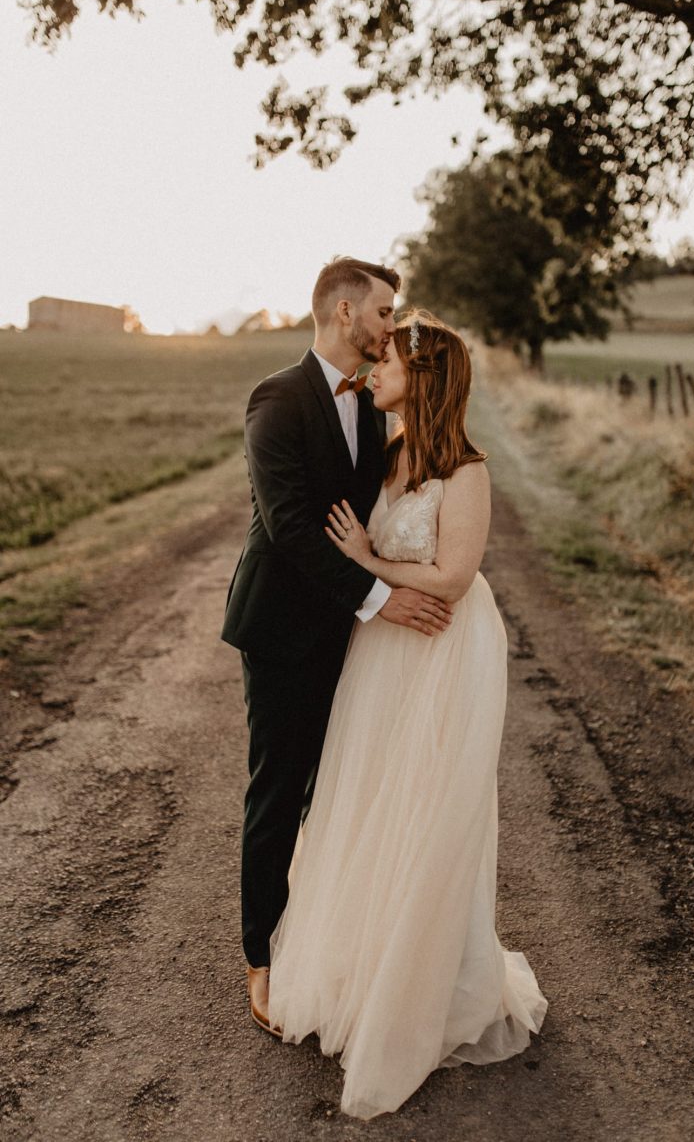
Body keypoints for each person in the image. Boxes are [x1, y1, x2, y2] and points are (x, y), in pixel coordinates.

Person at [265, 311, 548, 1119]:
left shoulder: (467, 471)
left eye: (388, 355)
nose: (376, 362)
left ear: (424, 376)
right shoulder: (386, 457)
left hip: (444, 652)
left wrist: (367, 564)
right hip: (383, 651)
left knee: (428, 810)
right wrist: (370, 580)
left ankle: (429, 985)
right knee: (368, 799)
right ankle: (363, 960)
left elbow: (454, 577)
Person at [221, 260, 453, 1034]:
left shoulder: (375, 412)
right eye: (385, 311)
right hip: (284, 629)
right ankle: (262, 956)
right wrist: (385, 599)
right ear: (345, 310)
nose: (393, 324)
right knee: (280, 790)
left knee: (340, 791)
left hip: (343, 634)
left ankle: (322, 937)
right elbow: (289, 528)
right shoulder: (278, 398)